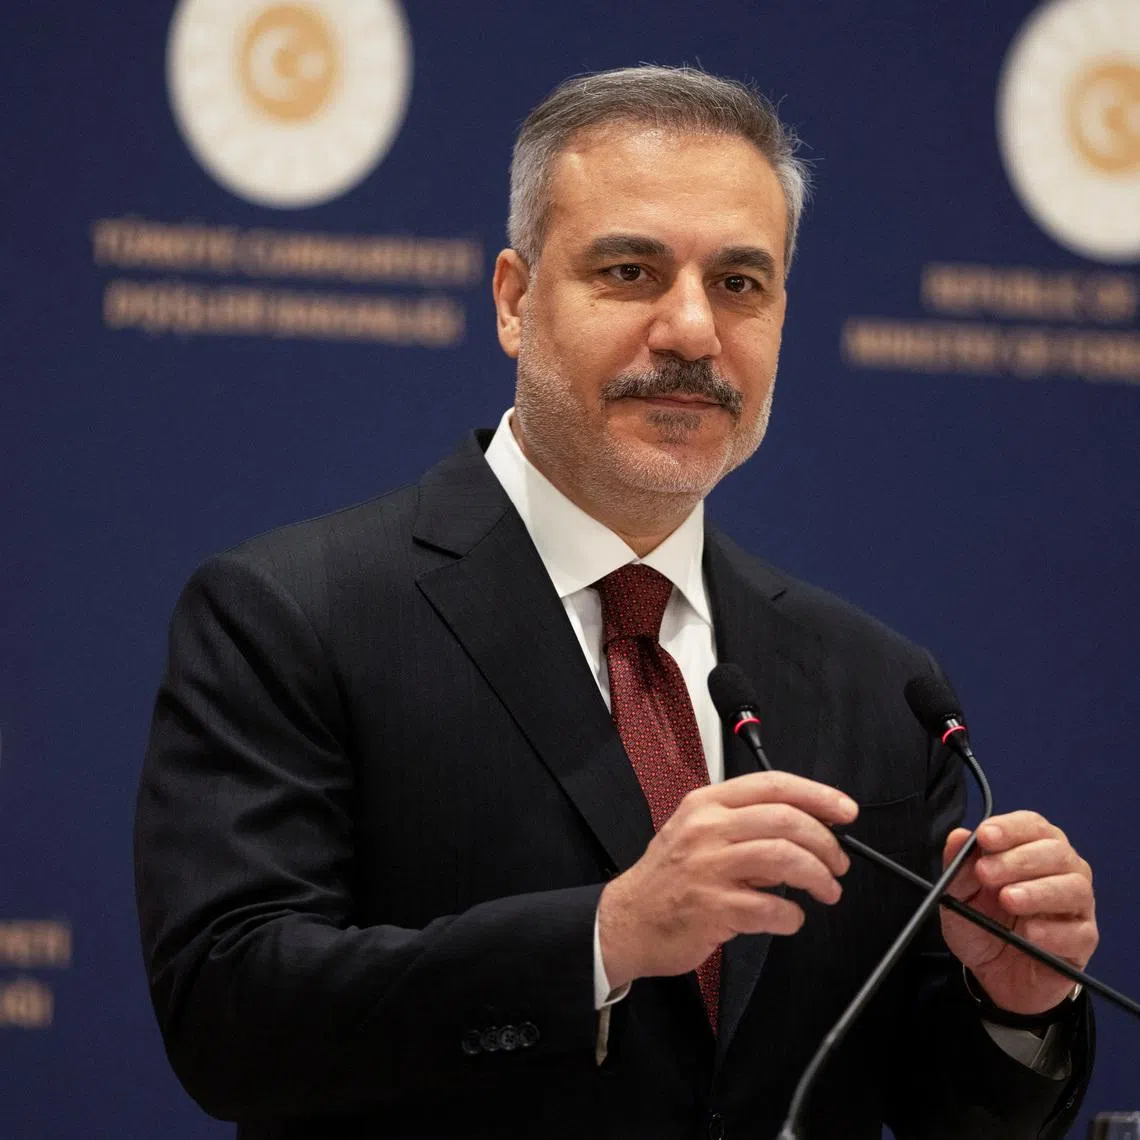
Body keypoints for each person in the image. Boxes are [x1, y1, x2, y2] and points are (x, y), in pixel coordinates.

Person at [135, 66, 1098, 1139]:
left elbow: (929, 1104)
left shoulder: (878, 685)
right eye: (631, 271)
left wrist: (1013, 1005)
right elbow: (228, 1015)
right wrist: (604, 938)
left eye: (740, 283)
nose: (692, 330)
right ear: (514, 300)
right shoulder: (294, 614)